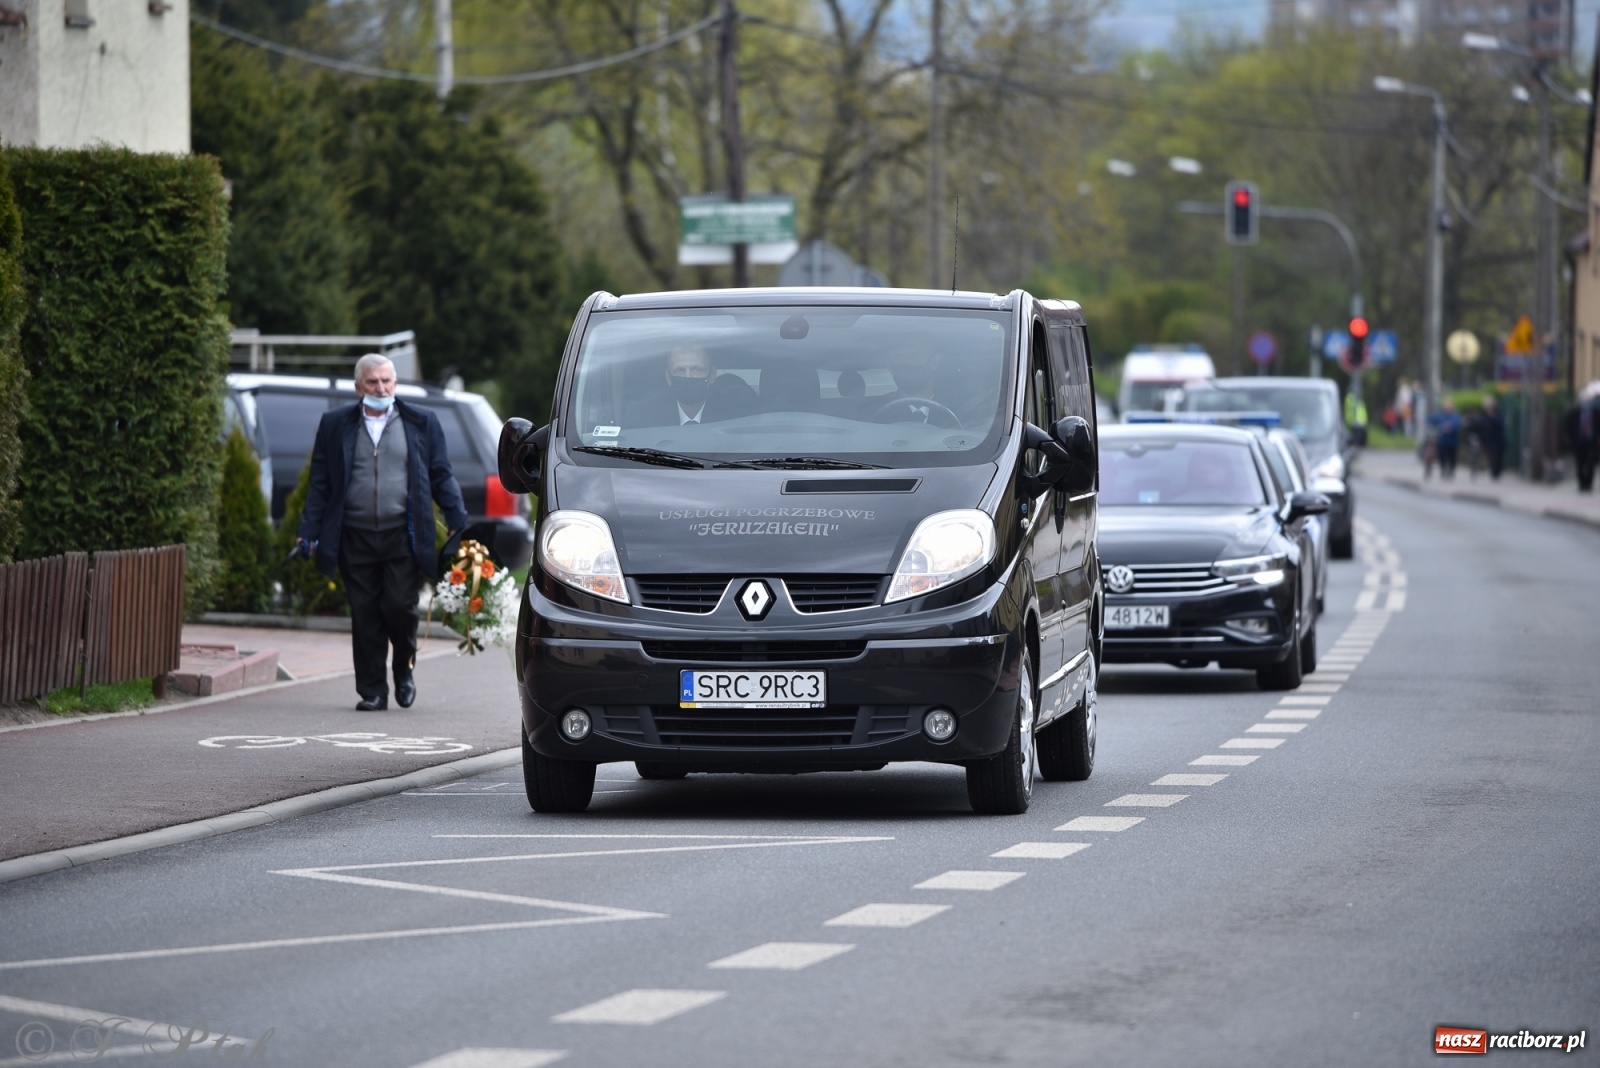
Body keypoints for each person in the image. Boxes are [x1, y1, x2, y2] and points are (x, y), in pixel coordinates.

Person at [296, 354, 469, 711]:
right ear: (359, 387)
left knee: (400, 608)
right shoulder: (335, 425)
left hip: (402, 534)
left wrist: (457, 516)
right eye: (373, 382)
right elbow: (321, 484)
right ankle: (373, 690)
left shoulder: (421, 422)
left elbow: (440, 473)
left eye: (387, 381)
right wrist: (307, 530)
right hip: (354, 535)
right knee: (365, 614)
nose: (381, 388)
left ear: (395, 383)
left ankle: (404, 668)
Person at [624, 343, 751, 426]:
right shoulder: (644, 417)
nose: (688, 377)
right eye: (680, 370)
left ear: (712, 375)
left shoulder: (736, 417)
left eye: (696, 370)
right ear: (669, 377)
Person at [1563, 382, 1600, 492]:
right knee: (1580, 463)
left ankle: (1588, 484)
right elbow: (1568, 425)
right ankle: (1582, 484)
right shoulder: (1574, 412)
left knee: (1591, 462)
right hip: (1579, 441)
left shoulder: (1596, 412)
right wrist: (1568, 437)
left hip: (1592, 441)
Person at [1470, 393, 1507, 481]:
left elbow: (1500, 424)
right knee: (1492, 457)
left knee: (1499, 457)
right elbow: (1477, 425)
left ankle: (1498, 473)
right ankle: (1494, 474)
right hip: (1489, 441)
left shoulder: (1498, 414)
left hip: (1499, 440)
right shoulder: (1484, 415)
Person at [1431, 396, 1463, 481]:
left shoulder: (1455, 416)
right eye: (1446, 407)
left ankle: (1451, 470)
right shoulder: (1440, 415)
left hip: (1452, 441)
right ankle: (1443, 469)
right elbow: (1433, 420)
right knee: (1442, 456)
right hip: (1442, 440)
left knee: (1452, 457)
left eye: (1449, 407)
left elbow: (1458, 424)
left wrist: (1450, 427)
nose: (1448, 408)